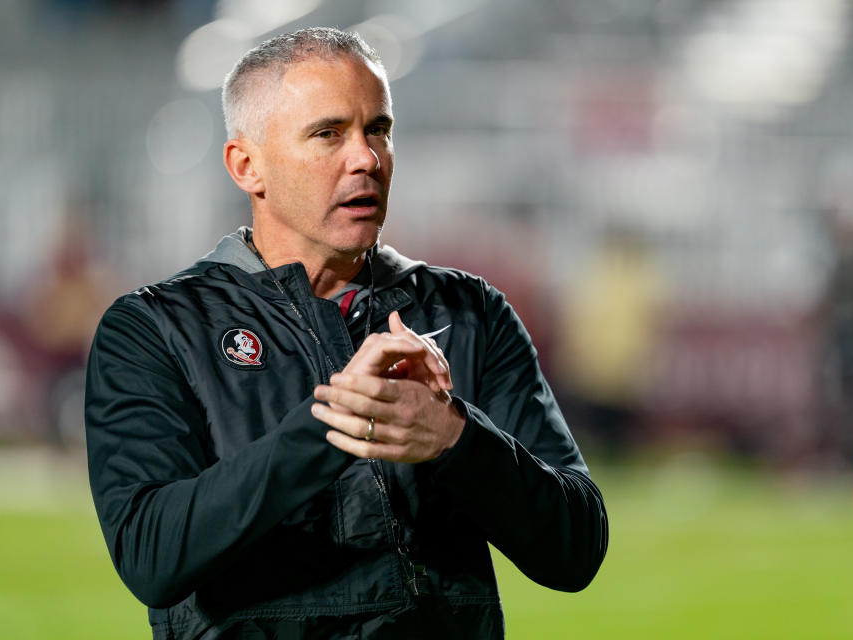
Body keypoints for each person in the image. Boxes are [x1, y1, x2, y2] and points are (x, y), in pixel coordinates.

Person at [85, 27, 607, 639]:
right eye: (328, 133)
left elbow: (575, 549)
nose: (366, 158)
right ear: (247, 166)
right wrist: (335, 423)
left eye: (378, 129)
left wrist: (454, 438)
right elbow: (153, 556)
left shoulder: (469, 311)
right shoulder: (155, 329)